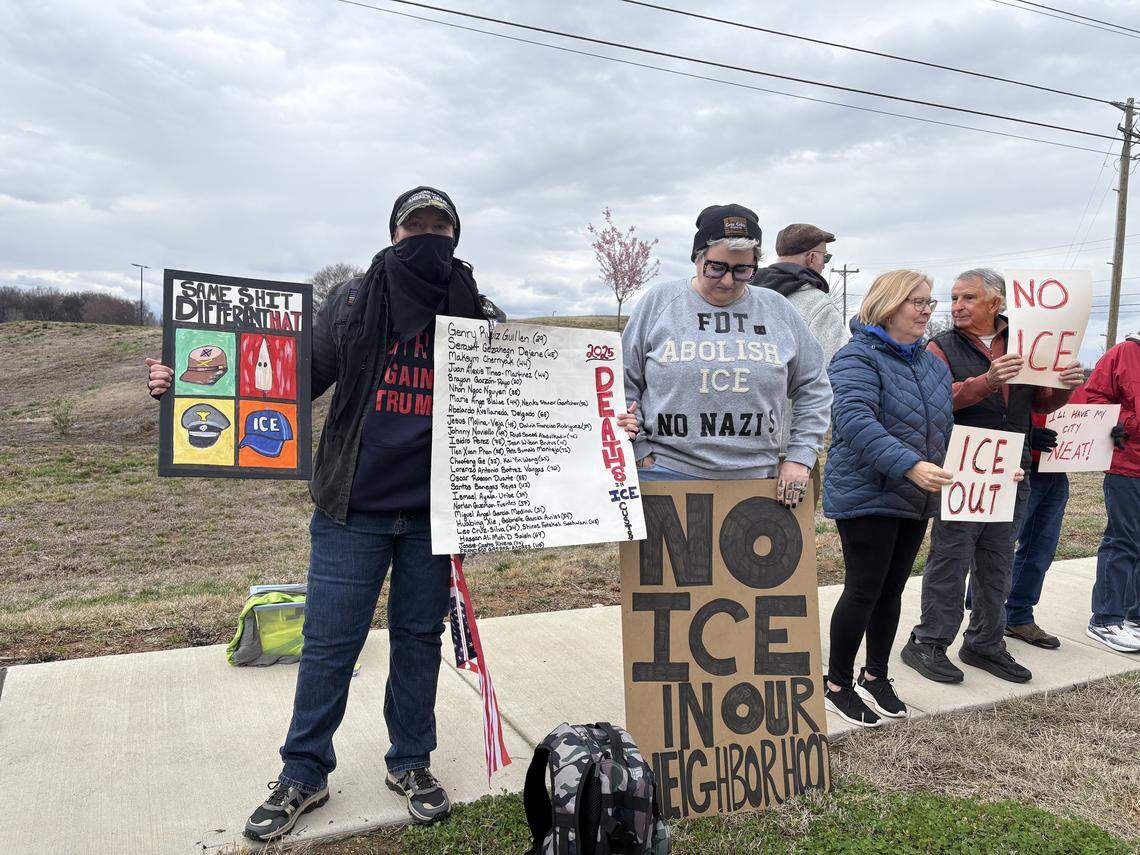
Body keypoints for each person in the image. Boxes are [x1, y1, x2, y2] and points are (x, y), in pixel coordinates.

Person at [146, 187, 504, 842]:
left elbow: (533, 395)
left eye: (440, 225)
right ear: (393, 233)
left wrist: (602, 421)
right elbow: (287, 383)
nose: (427, 235)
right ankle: (303, 770)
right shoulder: (352, 304)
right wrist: (187, 385)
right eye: (414, 225)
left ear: (457, 234)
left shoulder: (479, 313)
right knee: (330, 644)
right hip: (352, 508)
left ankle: (411, 762)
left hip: (433, 515)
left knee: (420, 640)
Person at [902, 268, 1080, 684]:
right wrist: (986, 381)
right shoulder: (938, 347)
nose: (957, 307)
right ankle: (928, 641)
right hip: (964, 462)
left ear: (996, 302)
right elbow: (934, 401)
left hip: (1012, 465)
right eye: (955, 298)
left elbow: (1041, 401)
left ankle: (984, 641)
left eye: (968, 298)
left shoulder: (1027, 340)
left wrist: (1067, 385)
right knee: (952, 555)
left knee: (998, 555)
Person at [620, 203, 832, 507]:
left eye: (742, 270)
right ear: (698, 258)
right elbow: (624, 380)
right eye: (716, 267)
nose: (728, 281)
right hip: (665, 474)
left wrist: (801, 456)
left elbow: (814, 385)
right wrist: (638, 450)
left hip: (758, 480)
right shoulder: (659, 303)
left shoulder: (777, 310)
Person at [822, 270, 953, 727]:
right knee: (863, 589)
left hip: (913, 495)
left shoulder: (932, 364)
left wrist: (985, 467)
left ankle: (875, 675)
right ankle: (837, 682)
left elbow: (944, 429)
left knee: (893, 590)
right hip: (868, 492)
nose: (925, 310)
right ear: (887, 304)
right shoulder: (855, 359)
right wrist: (908, 465)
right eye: (915, 301)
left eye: (929, 302)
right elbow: (855, 423)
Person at [753, 223, 847, 502]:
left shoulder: (746, 294)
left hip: (738, 447)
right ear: (811, 258)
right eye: (825, 257)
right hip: (791, 451)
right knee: (788, 541)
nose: (824, 263)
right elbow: (834, 372)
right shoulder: (817, 305)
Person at [1075, 333, 1140, 652]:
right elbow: (1094, 397)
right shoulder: (1125, 352)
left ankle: (1134, 617)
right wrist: (1125, 423)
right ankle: (1104, 619)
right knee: (1123, 540)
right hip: (1128, 463)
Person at [1001, 413, 1069, 649]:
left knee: (1041, 550)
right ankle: (985, 619)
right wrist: (1026, 438)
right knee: (999, 545)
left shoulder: (1071, 379)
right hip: (1018, 465)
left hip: (1056, 467)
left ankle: (1018, 616)